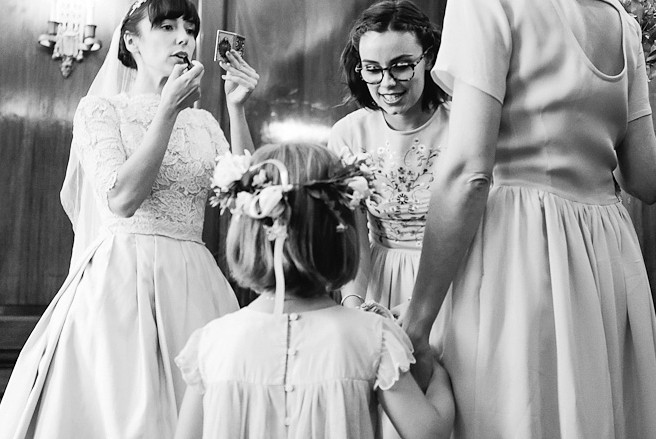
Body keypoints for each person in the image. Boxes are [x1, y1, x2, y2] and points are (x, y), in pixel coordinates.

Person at [401, 0, 656, 439]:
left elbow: (468, 173)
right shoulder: (615, 12)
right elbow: (648, 179)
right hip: (605, 249)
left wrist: (417, 321)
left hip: (518, 247)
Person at [0, 0, 260, 439]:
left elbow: (251, 196)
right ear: (132, 42)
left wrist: (235, 107)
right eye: (168, 28)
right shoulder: (100, 111)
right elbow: (122, 200)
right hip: (121, 280)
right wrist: (168, 112)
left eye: (190, 30)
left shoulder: (206, 123)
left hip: (194, 279)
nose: (184, 40)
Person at [173, 143, 455, 439]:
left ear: (247, 229)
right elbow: (429, 433)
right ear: (341, 233)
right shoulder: (374, 338)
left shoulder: (211, 344)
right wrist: (438, 373)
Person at [328, 0, 449, 313]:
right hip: (379, 279)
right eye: (373, 69)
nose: (387, 82)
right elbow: (353, 234)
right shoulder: (348, 134)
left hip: (452, 283)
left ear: (428, 58)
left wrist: (415, 308)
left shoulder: (462, 125)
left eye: (401, 65)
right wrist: (354, 306)